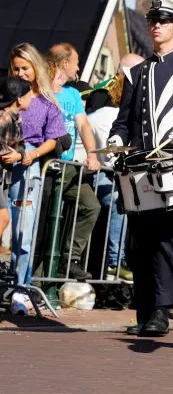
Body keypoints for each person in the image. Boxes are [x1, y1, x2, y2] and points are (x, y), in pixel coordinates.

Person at [107, 0, 173, 336]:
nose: (157, 25)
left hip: (172, 166)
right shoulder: (136, 71)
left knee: (165, 238)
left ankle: (161, 312)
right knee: (140, 241)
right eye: (153, 20)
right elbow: (124, 120)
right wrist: (114, 139)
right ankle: (144, 311)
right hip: (137, 167)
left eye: (164, 20)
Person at [7, 43, 66, 287]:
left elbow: (54, 138)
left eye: (25, 68)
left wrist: (30, 155)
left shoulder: (46, 104)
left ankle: (21, 285)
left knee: (24, 231)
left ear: (35, 68)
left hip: (27, 169)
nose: (20, 73)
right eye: (16, 69)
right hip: (4, 167)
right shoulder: (6, 97)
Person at [46, 43, 102, 279]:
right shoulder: (42, 89)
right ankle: (36, 276)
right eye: (77, 61)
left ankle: (69, 259)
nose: (79, 66)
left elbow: (83, 124)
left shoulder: (72, 94)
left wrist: (92, 153)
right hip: (46, 164)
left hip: (68, 167)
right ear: (64, 63)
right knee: (45, 224)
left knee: (91, 205)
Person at [87, 55, 140, 280]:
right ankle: (115, 261)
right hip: (99, 174)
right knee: (121, 202)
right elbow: (112, 156)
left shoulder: (108, 113)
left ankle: (119, 260)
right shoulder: (108, 114)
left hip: (105, 172)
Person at [0, 78, 33, 264]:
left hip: (4, 176)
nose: (31, 99)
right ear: (19, 99)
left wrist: (18, 155)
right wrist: (8, 153)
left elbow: (21, 145)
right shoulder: (3, 117)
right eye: (29, 95)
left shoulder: (16, 118)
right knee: (3, 218)